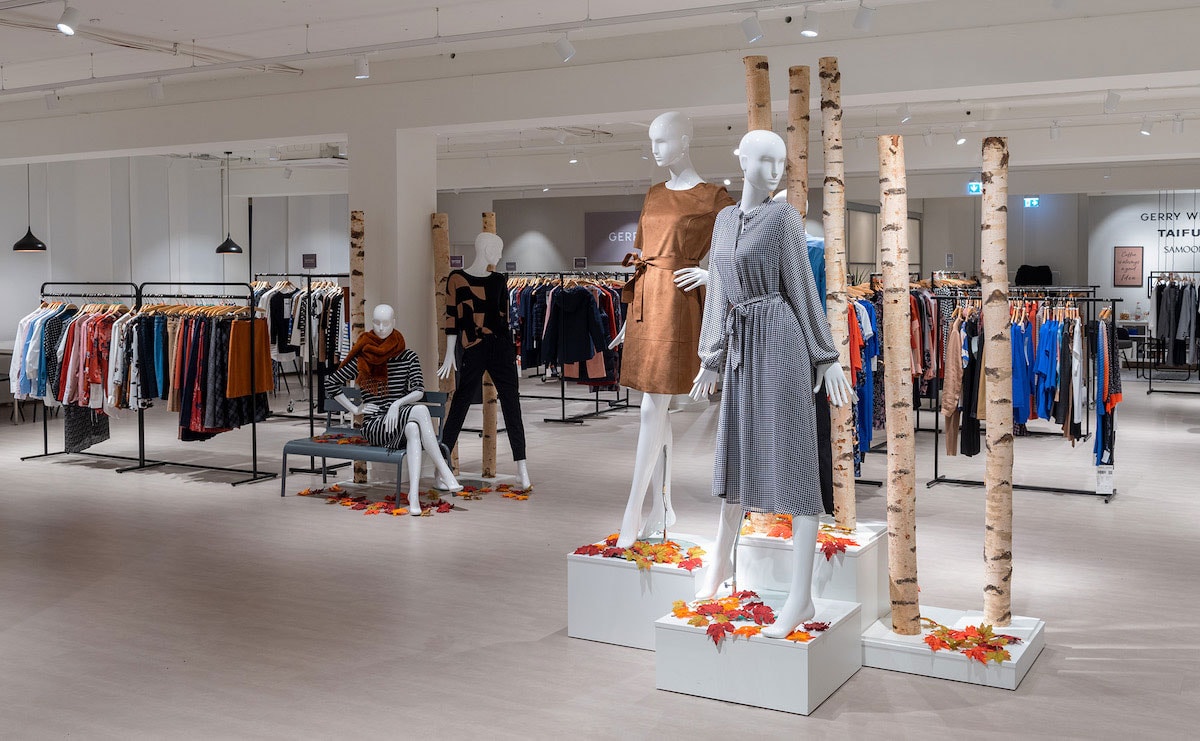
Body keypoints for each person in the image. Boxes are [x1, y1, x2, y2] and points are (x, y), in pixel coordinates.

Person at [690, 129, 852, 638]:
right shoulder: (723, 221)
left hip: (780, 343)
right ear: (741, 160)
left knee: (796, 463)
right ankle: (721, 562)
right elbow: (720, 291)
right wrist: (712, 357)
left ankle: (800, 597)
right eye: (764, 159)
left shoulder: (783, 218)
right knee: (734, 453)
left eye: (780, 160)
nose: (775, 169)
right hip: (741, 347)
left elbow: (802, 287)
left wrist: (825, 356)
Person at [609, 111, 735, 548]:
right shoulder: (653, 194)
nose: (655, 149)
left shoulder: (714, 198)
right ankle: (662, 505)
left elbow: (738, 250)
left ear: (684, 141)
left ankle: (633, 510)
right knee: (654, 407)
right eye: (651, 141)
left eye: (662, 141)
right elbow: (643, 253)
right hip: (646, 300)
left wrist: (712, 275)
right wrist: (626, 321)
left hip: (678, 302)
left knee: (651, 408)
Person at [326, 304, 461, 513]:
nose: (381, 328)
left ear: (394, 323)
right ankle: (445, 471)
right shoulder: (365, 357)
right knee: (420, 411)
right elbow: (331, 383)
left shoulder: (408, 356)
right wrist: (356, 410)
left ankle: (413, 496)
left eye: (386, 323)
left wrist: (396, 405)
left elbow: (418, 390)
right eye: (377, 323)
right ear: (372, 323)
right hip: (374, 426)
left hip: (398, 421)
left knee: (413, 429)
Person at [437, 232, 531, 490]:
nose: (499, 255)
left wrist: (512, 354)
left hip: (501, 348)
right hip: (474, 347)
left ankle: (522, 466)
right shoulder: (457, 279)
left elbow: (503, 319)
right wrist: (450, 353)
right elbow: (452, 318)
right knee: (461, 403)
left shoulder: (499, 280)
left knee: (512, 403)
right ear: (486, 249)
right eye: (497, 249)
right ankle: (442, 466)